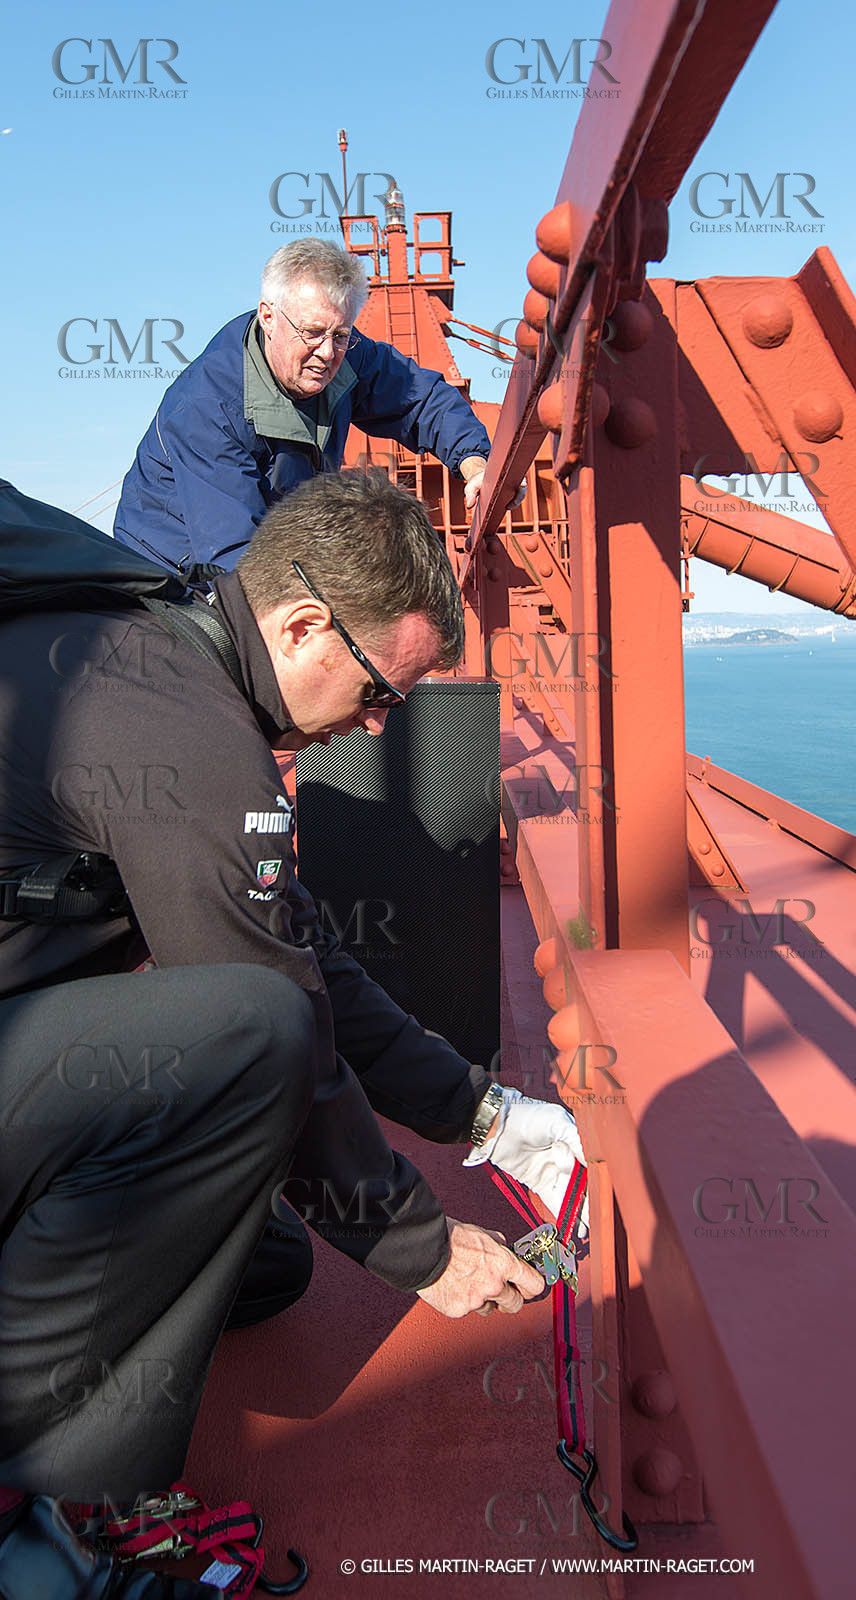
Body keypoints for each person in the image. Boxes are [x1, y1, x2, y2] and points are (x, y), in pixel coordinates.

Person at [0, 469, 582, 1597]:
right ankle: (40, 1494)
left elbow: (310, 960)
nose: (374, 725)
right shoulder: (183, 735)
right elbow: (276, 1019)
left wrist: (483, 1113)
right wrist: (414, 1245)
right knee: (245, 1034)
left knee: (257, 1263)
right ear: (305, 623)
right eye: (379, 694)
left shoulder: (172, 662)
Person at [112, 238, 496, 580]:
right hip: (178, 574)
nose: (327, 353)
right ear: (268, 317)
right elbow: (234, 559)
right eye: (312, 333)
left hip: (267, 542)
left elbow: (420, 396)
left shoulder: (344, 352)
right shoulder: (208, 409)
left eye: (340, 335)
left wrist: (475, 461)